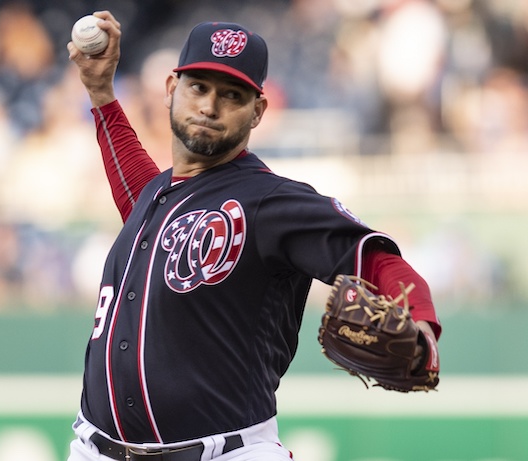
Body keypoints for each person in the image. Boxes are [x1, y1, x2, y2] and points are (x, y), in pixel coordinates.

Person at [66, 11, 441, 461]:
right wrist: (102, 94)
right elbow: (139, 193)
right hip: (98, 450)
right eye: (198, 87)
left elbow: (375, 259)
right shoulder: (158, 197)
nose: (209, 106)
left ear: (258, 110)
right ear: (171, 89)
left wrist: (422, 323)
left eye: (232, 95)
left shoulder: (270, 201)